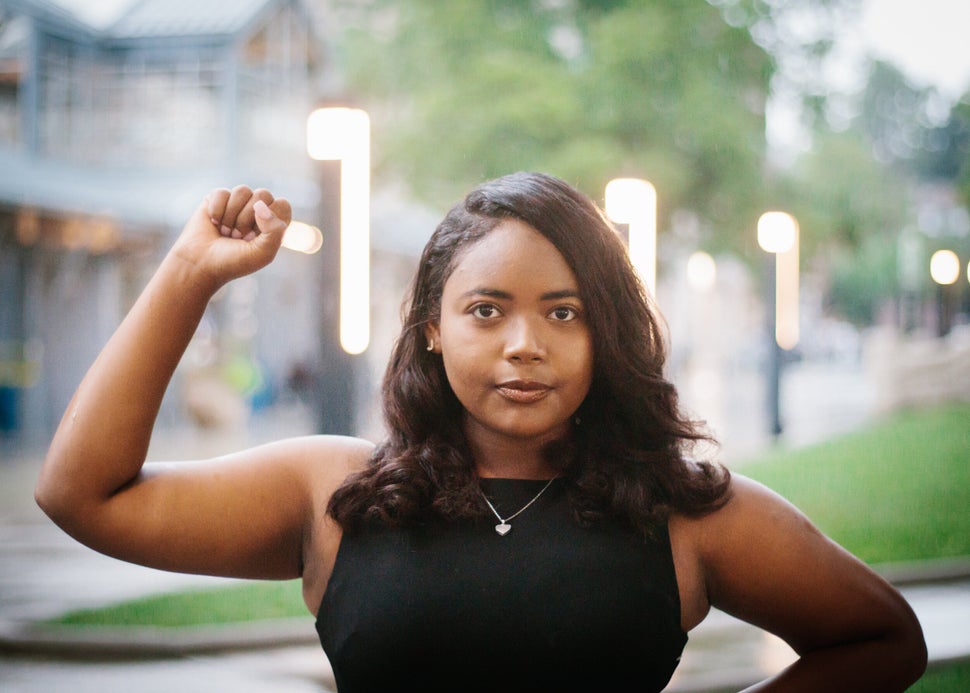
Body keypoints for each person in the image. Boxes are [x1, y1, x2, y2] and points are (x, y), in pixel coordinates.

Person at [37, 172, 926, 692]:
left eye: (564, 311)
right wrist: (190, 271)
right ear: (432, 325)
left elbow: (885, 638)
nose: (525, 345)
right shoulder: (336, 494)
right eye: (486, 309)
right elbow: (83, 493)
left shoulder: (685, 508)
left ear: (604, 328)